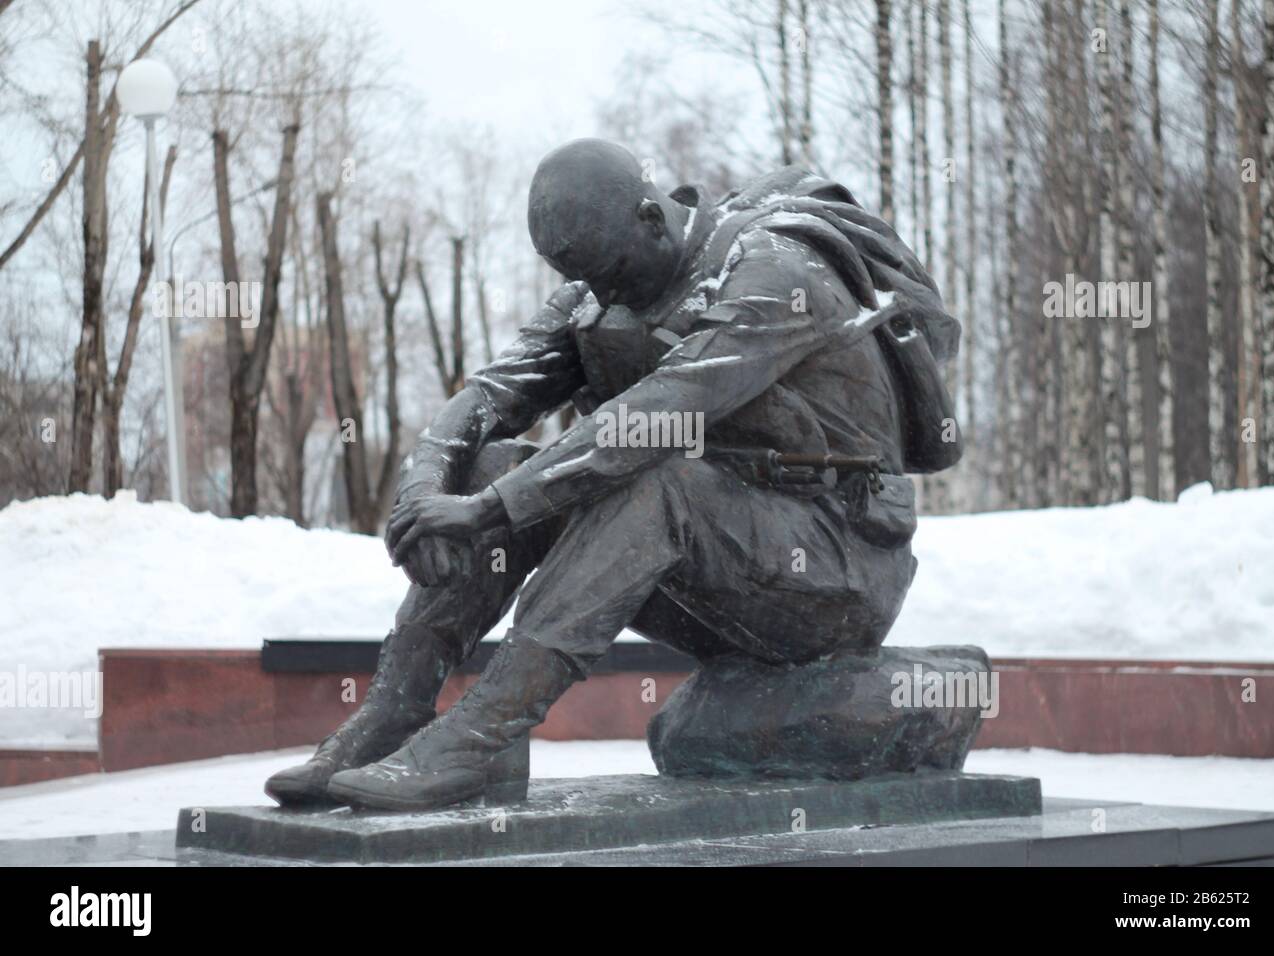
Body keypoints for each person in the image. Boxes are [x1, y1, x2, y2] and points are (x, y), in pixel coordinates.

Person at [265, 138, 962, 811]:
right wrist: (427, 491)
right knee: (495, 461)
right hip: (717, 567)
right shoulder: (595, 293)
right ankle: (392, 714)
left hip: (833, 571)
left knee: (652, 483)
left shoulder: (776, 271)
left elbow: (661, 412)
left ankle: (475, 740)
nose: (598, 292)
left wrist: (491, 509)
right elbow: (490, 396)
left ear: (652, 219)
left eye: (611, 273)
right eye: (583, 279)